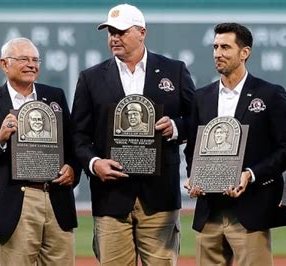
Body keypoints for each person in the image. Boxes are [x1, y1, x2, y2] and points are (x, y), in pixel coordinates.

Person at [70, 4, 195, 265]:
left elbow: (196, 120)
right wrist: (94, 164)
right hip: (111, 195)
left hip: (159, 195)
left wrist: (175, 127)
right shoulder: (90, 78)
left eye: (121, 32)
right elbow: (78, 135)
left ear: (142, 33)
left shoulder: (175, 70)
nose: (114, 38)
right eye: (110, 32)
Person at [184, 22, 286, 265]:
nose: (218, 53)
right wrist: (194, 176)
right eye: (215, 47)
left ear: (244, 53)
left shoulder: (269, 94)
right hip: (209, 211)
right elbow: (193, 147)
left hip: (251, 210)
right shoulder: (202, 97)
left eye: (225, 47)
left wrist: (250, 174)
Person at [0, 37, 80, 265]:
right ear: (4, 64)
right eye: (23, 59)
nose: (31, 65)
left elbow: (74, 145)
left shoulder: (55, 96)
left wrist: (73, 168)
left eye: (36, 60)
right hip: (16, 201)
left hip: (56, 198)